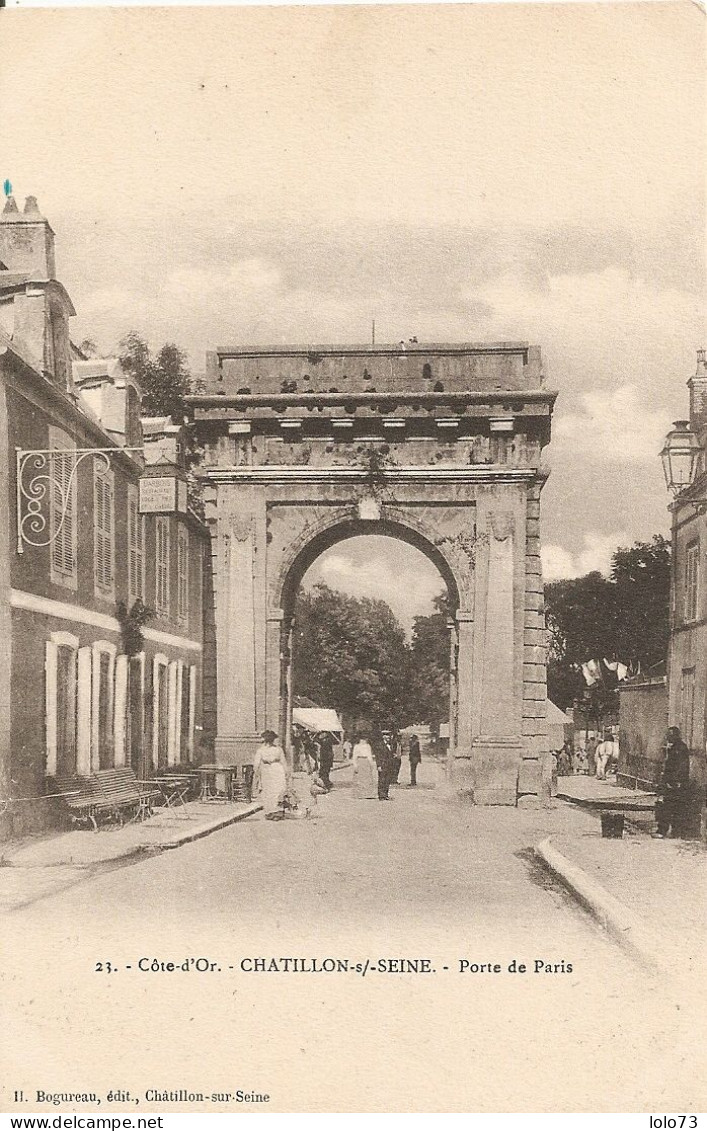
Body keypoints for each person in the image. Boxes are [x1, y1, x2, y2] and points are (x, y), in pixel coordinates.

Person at [655, 726, 690, 838]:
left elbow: (682, 766)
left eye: (670, 735)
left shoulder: (680, 748)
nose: (667, 737)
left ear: (675, 736)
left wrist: (675, 781)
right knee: (670, 805)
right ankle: (671, 831)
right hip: (671, 782)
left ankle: (665, 831)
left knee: (669, 806)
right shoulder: (675, 747)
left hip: (675, 783)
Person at [253, 729, 289, 820]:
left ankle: (278, 812)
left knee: (277, 790)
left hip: (277, 769)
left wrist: (286, 772)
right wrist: (257, 773)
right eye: (268, 739)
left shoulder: (278, 749)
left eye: (271, 739)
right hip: (266, 771)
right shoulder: (261, 750)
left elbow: (283, 761)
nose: (269, 741)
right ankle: (269, 812)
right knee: (268, 791)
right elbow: (256, 763)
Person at [351, 733, 378, 799]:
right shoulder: (356, 746)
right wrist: (355, 765)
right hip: (359, 761)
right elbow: (354, 756)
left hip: (366, 762)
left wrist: (371, 764)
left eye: (365, 739)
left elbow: (369, 756)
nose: (364, 741)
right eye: (362, 739)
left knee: (367, 778)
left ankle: (367, 794)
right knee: (359, 778)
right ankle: (359, 794)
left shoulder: (368, 746)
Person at [373, 729, 395, 801]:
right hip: (382, 765)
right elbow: (378, 756)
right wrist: (378, 765)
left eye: (389, 735)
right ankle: (381, 795)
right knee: (382, 780)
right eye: (386, 735)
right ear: (383, 736)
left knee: (387, 780)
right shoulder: (380, 745)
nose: (388, 737)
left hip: (389, 765)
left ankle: (385, 794)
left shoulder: (390, 745)